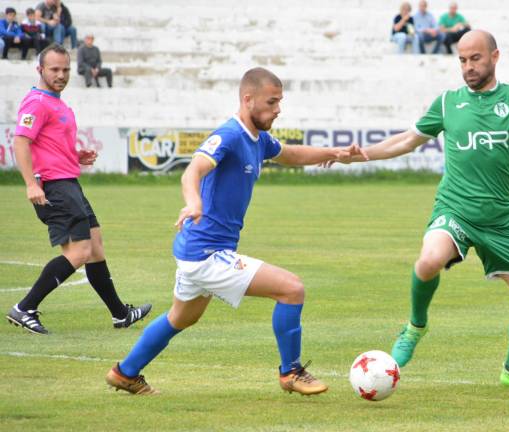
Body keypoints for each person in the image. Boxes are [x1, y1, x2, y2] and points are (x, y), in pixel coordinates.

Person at [337, 30, 509, 389]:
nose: (468, 67)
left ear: (495, 56)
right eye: (462, 60)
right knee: (428, 260)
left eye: (475, 58)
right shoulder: (449, 103)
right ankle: (415, 326)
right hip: (455, 210)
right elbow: (408, 140)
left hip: (499, 220)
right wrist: (364, 155)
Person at [104, 67, 367, 396]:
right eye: (272, 102)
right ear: (248, 99)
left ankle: (125, 373)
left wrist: (335, 154)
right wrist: (193, 202)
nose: (278, 109)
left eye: (280, 101)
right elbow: (193, 170)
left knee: (180, 319)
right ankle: (291, 372)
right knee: (292, 289)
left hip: (195, 252)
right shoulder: (229, 135)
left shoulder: (257, 139)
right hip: (207, 253)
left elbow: (289, 153)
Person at [6, 44, 152, 335]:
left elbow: (49, 145)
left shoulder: (58, 104)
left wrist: (75, 156)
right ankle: (25, 307)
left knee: (95, 246)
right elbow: (21, 141)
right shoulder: (36, 102)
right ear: (40, 70)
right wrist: (31, 184)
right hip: (56, 187)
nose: (61, 75)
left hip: (69, 181)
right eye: (54, 69)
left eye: (65, 70)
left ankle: (120, 314)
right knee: (80, 250)